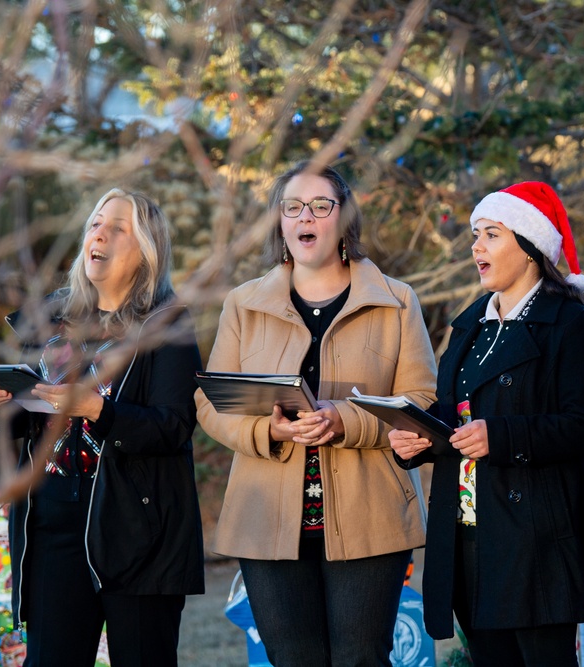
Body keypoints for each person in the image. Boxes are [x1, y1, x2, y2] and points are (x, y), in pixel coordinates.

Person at [195, 160, 436, 666]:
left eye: (321, 205)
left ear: (344, 218)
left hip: (372, 516)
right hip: (266, 518)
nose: (306, 215)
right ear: (281, 222)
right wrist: (268, 429)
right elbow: (211, 402)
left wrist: (345, 420)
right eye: (292, 206)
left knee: (361, 659)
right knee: (292, 659)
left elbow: (421, 402)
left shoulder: (395, 301)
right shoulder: (244, 304)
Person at [389, 181, 584, 667]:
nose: (476, 246)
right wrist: (420, 440)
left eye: (492, 233)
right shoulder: (469, 325)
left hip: (535, 540)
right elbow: (457, 420)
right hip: (466, 532)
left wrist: (502, 436)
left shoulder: (573, 325)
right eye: (475, 234)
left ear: (530, 247)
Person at [0, 189, 205, 666]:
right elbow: (25, 424)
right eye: (96, 222)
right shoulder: (47, 318)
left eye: (119, 227)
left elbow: (174, 428)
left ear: (146, 249)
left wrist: (98, 409)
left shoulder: (166, 324)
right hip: (52, 526)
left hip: (135, 530)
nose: (100, 233)